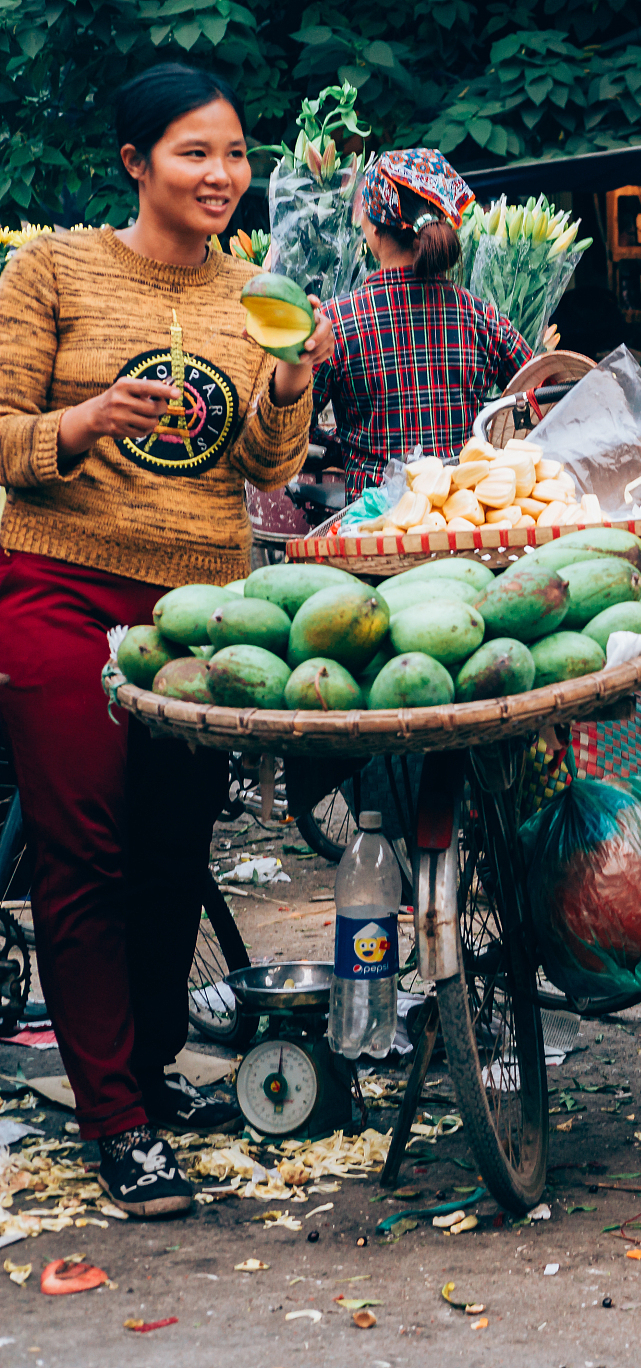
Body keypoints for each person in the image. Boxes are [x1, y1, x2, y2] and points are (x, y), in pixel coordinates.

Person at [0, 63, 331, 1217]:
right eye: (195, 153)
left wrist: (288, 381)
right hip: (58, 589)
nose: (222, 176)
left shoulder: (259, 292)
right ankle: (116, 1123)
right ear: (137, 162)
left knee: (172, 847)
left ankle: (138, 1079)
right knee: (81, 848)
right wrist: (81, 422)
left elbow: (266, 465)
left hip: (200, 611)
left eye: (235, 154)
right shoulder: (53, 270)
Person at [313, 149, 531, 498]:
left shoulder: (336, 322)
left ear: (373, 226)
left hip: (376, 526)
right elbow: (544, 393)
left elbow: (289, 426)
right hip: (463, 514)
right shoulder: (480, 317)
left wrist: (344, 445)